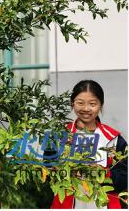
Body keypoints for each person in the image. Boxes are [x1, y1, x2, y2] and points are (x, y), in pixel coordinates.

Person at [51, 80, 127, 209]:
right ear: (72, 104)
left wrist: (100, 172)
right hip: (67, 204)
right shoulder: (60, 136)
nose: (86, 109)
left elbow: (124, 178)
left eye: (92, 104)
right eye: (80, 103)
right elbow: (47, 169)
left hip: (104, 205)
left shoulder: (113, 139)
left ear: (100, 105)